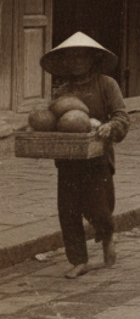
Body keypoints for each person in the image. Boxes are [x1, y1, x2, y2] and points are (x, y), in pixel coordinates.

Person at [40, 32, 130, 279]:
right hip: (68, 161)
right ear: (65, 62)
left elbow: (122, 117)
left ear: (93, 59)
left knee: (99, 209)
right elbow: (53, 123)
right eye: (71, 57)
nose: (76, 61)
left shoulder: (106, 84)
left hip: (98, 159)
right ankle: (79, 260)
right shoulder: (62, 91)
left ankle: (108, 233)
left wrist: (110, 127)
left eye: (82, 56)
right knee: (68, 211)